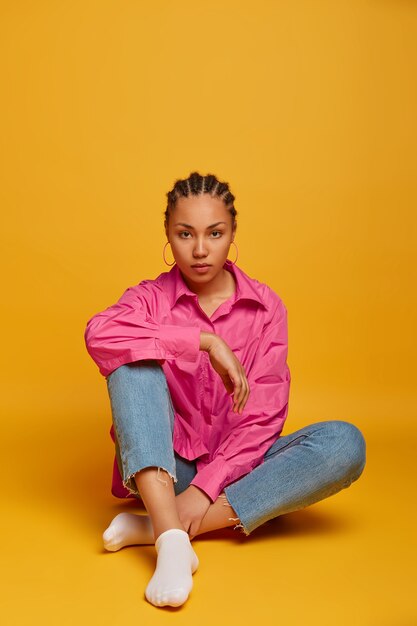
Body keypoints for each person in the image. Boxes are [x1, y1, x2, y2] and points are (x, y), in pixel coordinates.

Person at [84, 171, 366, 609]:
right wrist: (202, 342)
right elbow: (99, 335)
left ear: (232, 234)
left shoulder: (266, 307)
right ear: (167, 235)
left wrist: (208, 486)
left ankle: (161, 530)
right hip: (167, 470)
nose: (200, 250)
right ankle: (171, 532)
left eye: (214, 234)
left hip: (240, 471)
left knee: (343, 443)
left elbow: (266, 414)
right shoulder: (150, 300)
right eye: (185, 234)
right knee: (130, 358)